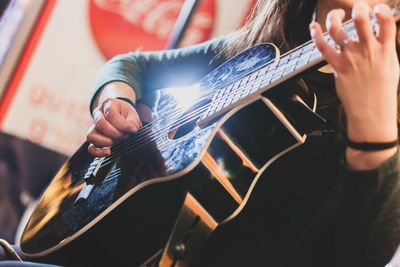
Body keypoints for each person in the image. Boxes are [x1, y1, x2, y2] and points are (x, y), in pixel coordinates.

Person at [85, 0, 400, 266]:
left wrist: (375, 128)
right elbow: (132, 65)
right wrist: (115, 100)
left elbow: (365, 254)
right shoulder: (259, 46)